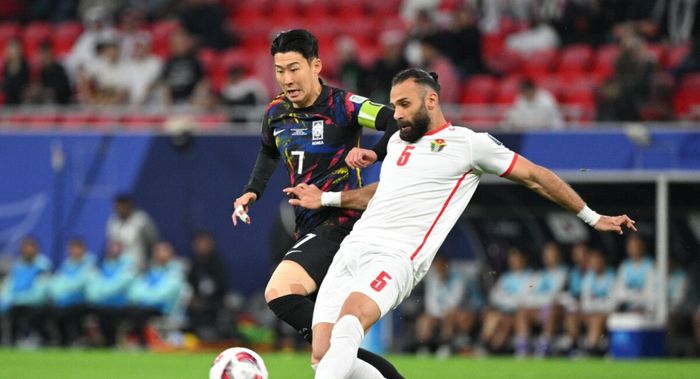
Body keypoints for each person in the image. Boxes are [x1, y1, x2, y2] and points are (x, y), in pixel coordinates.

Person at [284, 68, 637, 378]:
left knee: (350, 324)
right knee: (323, 354)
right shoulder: (396, 143)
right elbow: (382, 192)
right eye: (394, 106)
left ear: (432, 101)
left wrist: (591, 216)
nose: (398, 115)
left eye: (405, 105)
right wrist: (326, 199)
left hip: (395, 257)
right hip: (353, 248)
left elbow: (535, 176)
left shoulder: (469, 144)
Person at [231, 29, 402, 379]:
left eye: (294, 68)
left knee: (280, 291)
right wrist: (252, 191)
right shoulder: (276, 112)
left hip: (342, 223)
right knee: (327, 357)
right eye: (279, 70)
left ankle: (336, 340)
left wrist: (376, 152)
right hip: (308, 227)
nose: (287, 79)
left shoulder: (345, 105)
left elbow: (394, 121)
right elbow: (267, 151)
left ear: (316, 65)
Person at [127, 241, 187, 347]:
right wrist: (148, 296)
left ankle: (142, 342)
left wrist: (145, 297)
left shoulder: (176, 272)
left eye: (164, 251)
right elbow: (134, 292)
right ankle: (137, 341)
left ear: (171, 253)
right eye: (158, 251)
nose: (161, 254)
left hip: (165, 310)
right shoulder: (151, 271)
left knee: (138, 313)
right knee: (128, 310)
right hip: (147, 307)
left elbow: (165, 295)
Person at [514, 242, 568, 357]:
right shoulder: (538, 274)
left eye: (552, 255)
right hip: (539, 309)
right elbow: (525, 295)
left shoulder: (563, 273)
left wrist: (535, 300)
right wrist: (536, 301)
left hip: (558, 310)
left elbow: (553, 296)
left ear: (558, 256)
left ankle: (544, 347)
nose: (549, 258)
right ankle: (523, 347)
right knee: (522, 312)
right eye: (547, 255)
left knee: (550, 309)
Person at [0, 236, 52, 345]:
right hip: (15, 302)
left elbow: (40, 291)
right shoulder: (16, 266)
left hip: (35, 303)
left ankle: (33, 337)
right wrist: (6, 300)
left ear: (36, 249)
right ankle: (11, 341)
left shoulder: (43, 266)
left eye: (31, 247)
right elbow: (8, 286)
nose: (28, 250)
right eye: (25, 247)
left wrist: (19, 299)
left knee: (23, 310)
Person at [479, 246, 531, 353]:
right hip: (502, 311)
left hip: (518, 312)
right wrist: (509, 298)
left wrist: (506, 297)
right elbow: (494, 296)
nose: (514, 261)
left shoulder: (531, 276)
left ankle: (492, 349)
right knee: (492, 317)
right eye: (512, 259)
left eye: (517, 258)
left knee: (504, 321)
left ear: (523, 259)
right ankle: (483, 346)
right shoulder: (505, 277)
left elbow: (522, 298)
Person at [46, 237, 96, 346]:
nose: (74, 251)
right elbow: (55, 283)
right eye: (71, 249)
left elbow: (81, 283)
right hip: (64, 301)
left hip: (83, 301)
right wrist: (61, 291)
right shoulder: (66, 265)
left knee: (73, 311)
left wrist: (65, 287)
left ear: (83, 249)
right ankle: (61, 340)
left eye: (77, 248)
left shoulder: (90, 264)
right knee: (51, 309)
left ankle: (79, 338)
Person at [187, 231, 229, 340]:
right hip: (200, 304)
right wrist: (194, 298)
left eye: (204, 243)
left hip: (217, 301)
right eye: (199, 244)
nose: (202, 246)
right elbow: (191, 284)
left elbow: (223, 287)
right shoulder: (194, 264)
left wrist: (208, 300)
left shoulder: (218, 264)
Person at [106, 194, 159, 268]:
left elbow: (153, 241)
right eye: (118, 207)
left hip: (138, 264)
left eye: (123, 206)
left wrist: (150, 261)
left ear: (129, 206)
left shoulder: (141, 220)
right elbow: (111, 244)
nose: (121, 209)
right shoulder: (112, 221)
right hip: (118, 266)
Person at [580, 248, 616, 355]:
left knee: (597, 319)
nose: (595, 263)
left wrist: (597, 310)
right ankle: (574, 346)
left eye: (597, 260)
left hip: (609, 313)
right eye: (592, 261)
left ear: (603, 261)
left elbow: (612, 303)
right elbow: (585, 303)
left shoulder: (612, 277)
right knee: (573, 316)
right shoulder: (588, 278)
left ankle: (590, 349)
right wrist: (593, 310)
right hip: (591, 313)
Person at [613, 234, 655, 313]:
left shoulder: (651, 265)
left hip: (645, 309)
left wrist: (639, 304)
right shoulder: (624, 266)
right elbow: (619, 292)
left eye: (636, 246)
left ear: (643, 246)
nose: (634, 249)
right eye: (631, 247)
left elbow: (650, 293)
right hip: (627, 308)